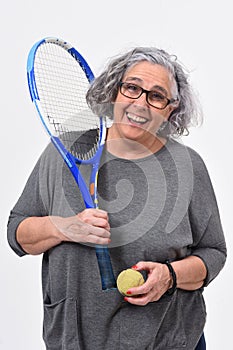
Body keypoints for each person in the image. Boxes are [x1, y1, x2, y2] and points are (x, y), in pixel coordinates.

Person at [7, 46, 226, 350]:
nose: (140, 103)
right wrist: (61, 228)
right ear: (114, 92)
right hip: (76, 340)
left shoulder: (188, 166)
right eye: (132, 88)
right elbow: (17, 232)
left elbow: (213, 252)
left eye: (157, 95)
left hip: (168, 340)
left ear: (171, 109)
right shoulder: (66, 150)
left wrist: (169, 276)